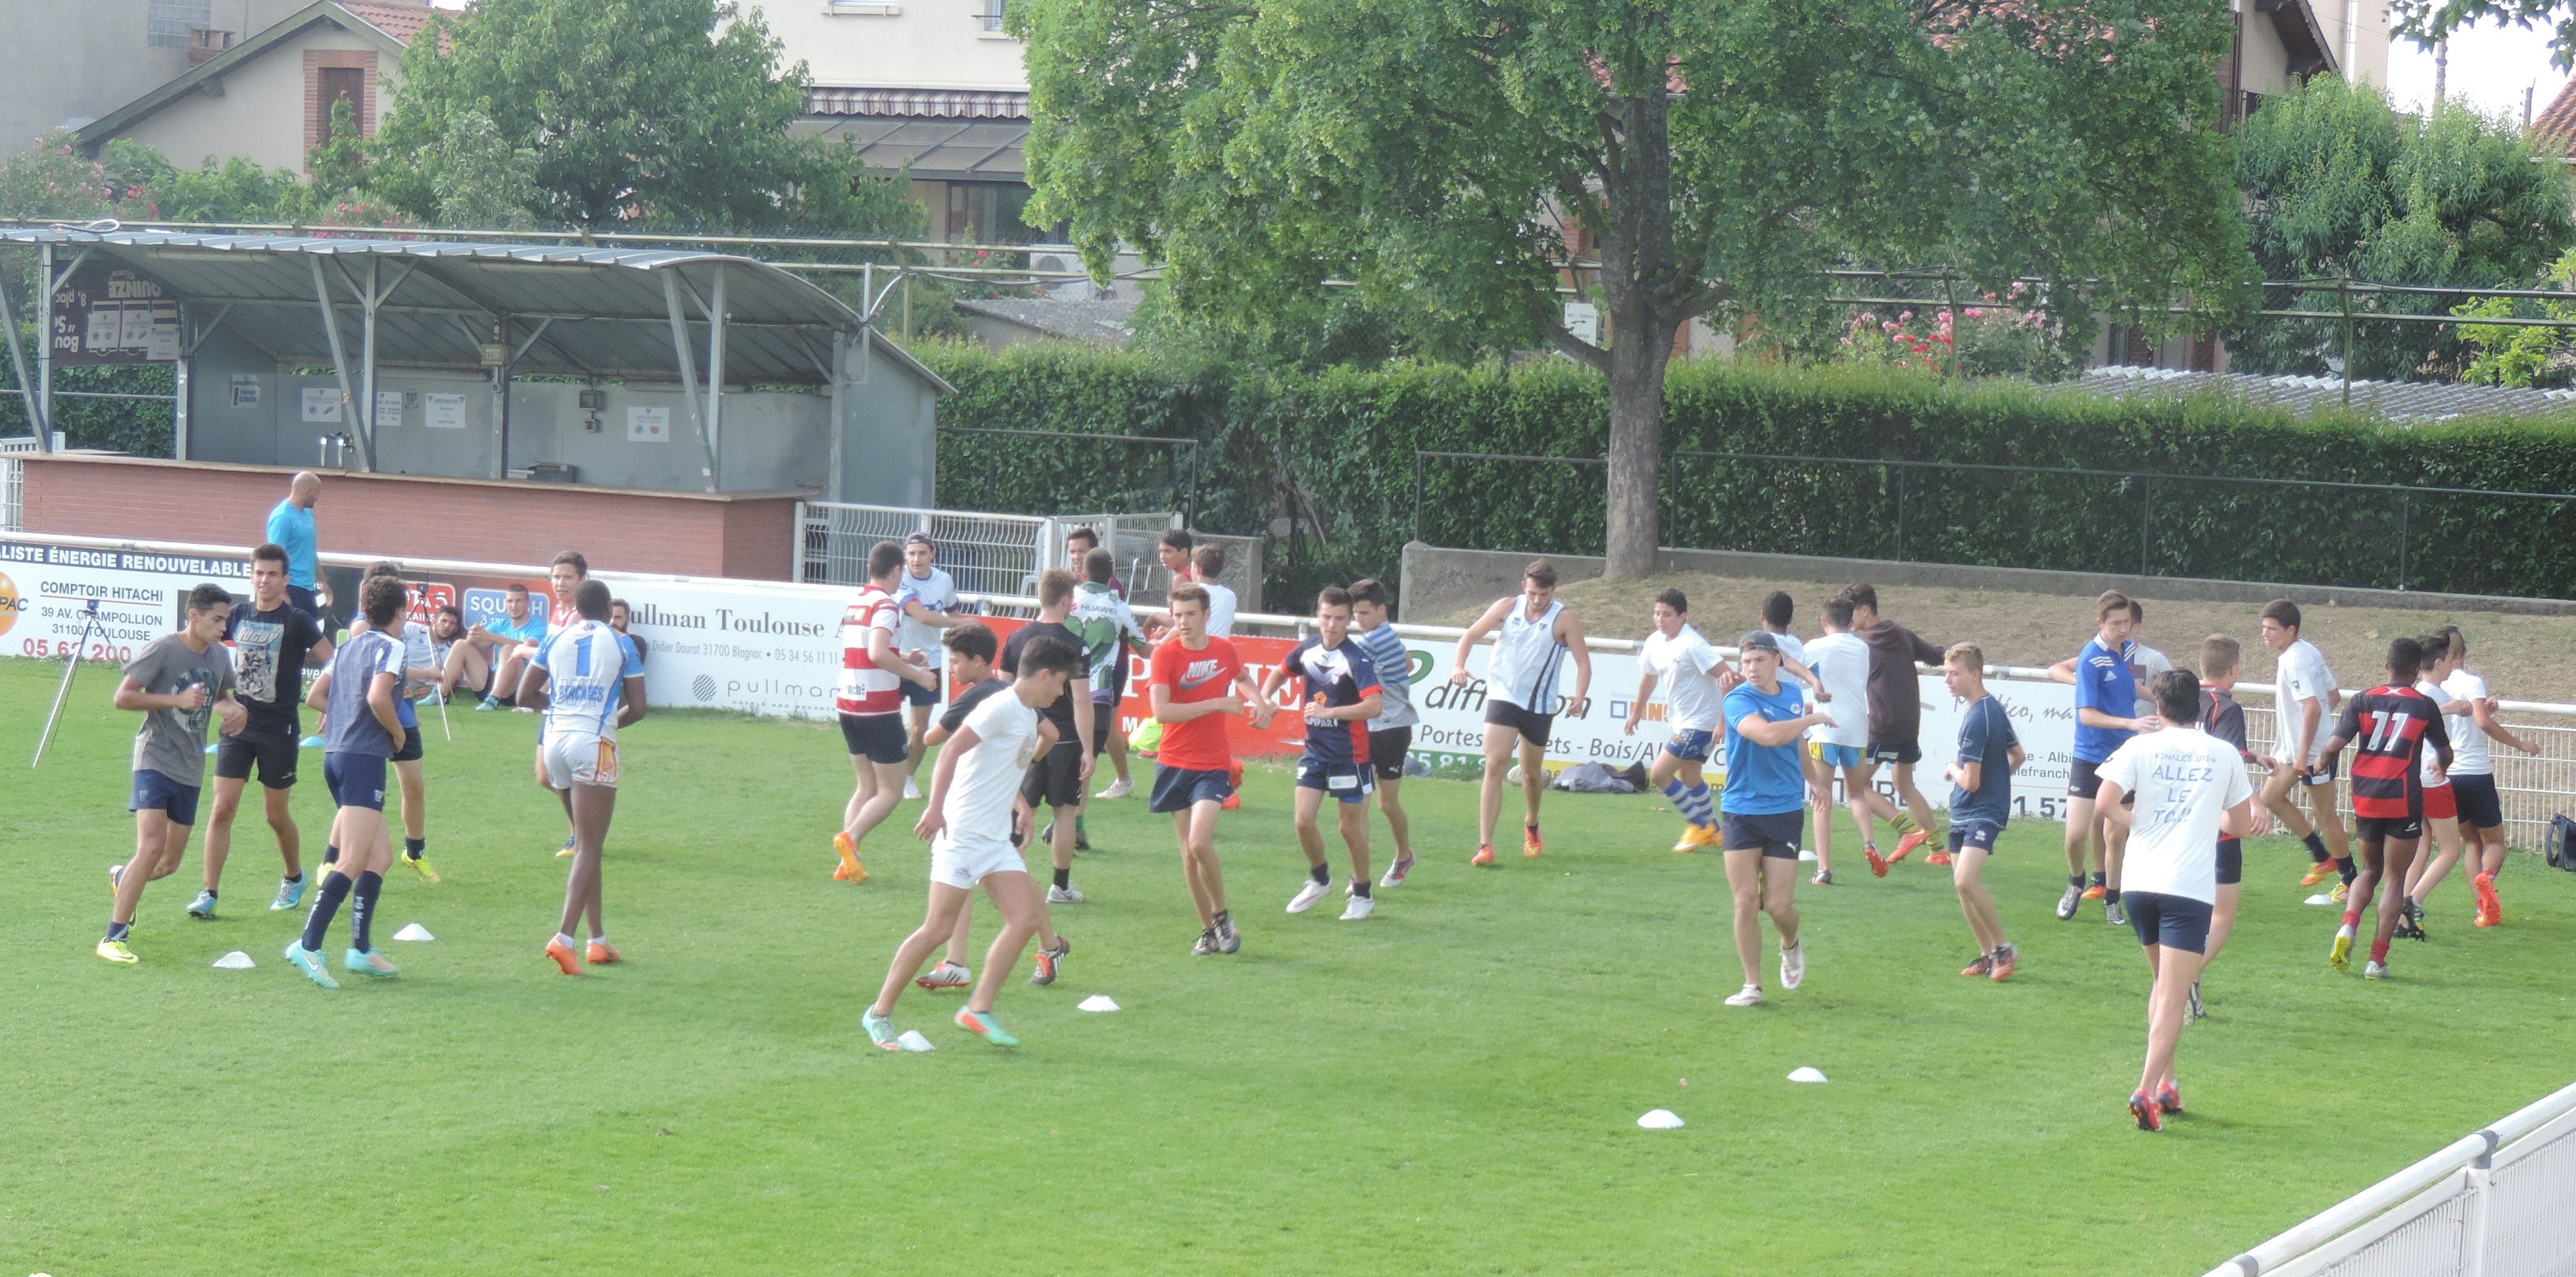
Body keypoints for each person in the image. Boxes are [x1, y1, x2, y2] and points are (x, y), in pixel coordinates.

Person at [863, 634, 1084, 1051]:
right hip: (962, 835)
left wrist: (1019, 802)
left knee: (1025, 919)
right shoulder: (1000, 707)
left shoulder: (1027, 714)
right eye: (1060, 683)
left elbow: (997, 766)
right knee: (937, 929)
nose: (1061, 692)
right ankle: (879, 1013)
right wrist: (935, 808)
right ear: (1044, 675)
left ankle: (977, 1010)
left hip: (995, 839)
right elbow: (950, 751)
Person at [2094, 669, 2256, 1132]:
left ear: (2159, 708)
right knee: (2173, 993)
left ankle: (2167, 1084)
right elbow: (2241, 826)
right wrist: (2206, 815)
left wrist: (2137, 820)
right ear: (2199, 708)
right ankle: (2145, 1089)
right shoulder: (2222, 753)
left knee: (2162, 986)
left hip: (2139, 883)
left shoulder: (2139, 747)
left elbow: (2104, 802)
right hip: (2187, 887)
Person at [97, 583, 246, 964]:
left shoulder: (219, 656)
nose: (224, 627)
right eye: (217, 619)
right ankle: (113, 937)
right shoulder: (164, 649)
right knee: (150, 847)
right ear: (193, 615)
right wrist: (175, 699)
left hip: (190, 767)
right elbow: (123, 697)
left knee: (167, 864)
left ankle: (123, 878)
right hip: (154, 757)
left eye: (226, 620)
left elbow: (221, 697)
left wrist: (235, 710)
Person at [282, 575, 410, 988]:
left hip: (336, 756)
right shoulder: (392, 647)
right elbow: (377, 697)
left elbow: (314, 696)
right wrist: (397, 733)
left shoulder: (348, 646)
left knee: (380, 856)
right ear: (400, 611)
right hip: (363, 760)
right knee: (352, 859)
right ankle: (308, 945)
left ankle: (360, 949)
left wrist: (344, 719)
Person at [195, 542, 332, 919]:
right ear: (251, 575)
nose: (265, 580)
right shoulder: (237, 615)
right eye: (259, 573)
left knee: (275, 815)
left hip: (279, 729)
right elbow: (203, 645)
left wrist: (329, 700)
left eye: (272, 574)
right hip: (238, 724)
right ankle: (208, 892)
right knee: (222, 808)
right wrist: (220, 699)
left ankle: (294, 876)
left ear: (285, 579)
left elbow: (334, 659)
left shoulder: (296, 620)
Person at [522, 578, 650, 976]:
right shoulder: (622, 643)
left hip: (555, 741)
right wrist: (605, 723)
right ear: (609, 609)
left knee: (585, 843)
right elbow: (639, 707)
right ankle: (564, 938)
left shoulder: (554, 638)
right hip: (593, 743)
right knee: (591, 846)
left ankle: (597, 940)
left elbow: (524, 696)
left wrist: (563, 709)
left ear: (575, 607)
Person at [2317, 638, 2451, 980]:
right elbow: (2444, 751)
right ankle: (2376, 961)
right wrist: (2442, 765)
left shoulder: (2363, 700)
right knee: (2394, 878)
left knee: (2369, 871)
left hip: (2366, 796)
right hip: (2402, 797)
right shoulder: (2424, 705)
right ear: (2416, 670)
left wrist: (2319, 763)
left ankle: (2348, 926)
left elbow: (2332, 747)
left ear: (2386, 664)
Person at [1150, 583, 1274, 954]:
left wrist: (1260, 701)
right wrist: (1218, 703)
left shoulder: (1223, 649)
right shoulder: (1165, 654)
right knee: (1188, 855)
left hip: (1212, 763)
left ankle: (1221, 916)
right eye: (1177, 615)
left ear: (1206, 615)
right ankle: (1207, 931)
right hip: (1174, 762)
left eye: (1190, 614)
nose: (1183, 622)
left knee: (1199, 842)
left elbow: (1242, 678)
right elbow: (1161, 712)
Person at [1716, 631, 1835, 1007]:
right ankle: (1752, 985)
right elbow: (1767, 735)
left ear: (1777, 661)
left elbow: (1796, 742)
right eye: (1746, 662)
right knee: (1745, 901)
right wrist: (1810, 718)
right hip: (1741, 810)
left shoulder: (1791, 696)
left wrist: (1814, 781)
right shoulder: (1737, 699)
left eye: (1760, 660)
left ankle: (1790, 942)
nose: (1752, 668)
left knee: (1779, 907)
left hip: (1784, 810)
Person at [1450, 560, 1592, 866]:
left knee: (1531, 774)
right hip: (1502, 696)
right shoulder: (1507, 607)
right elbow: (1470, 635)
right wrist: (1458, 665)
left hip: (1539, 706)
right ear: (1523, 586)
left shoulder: (1564, 619)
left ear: (1554, 590)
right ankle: (1485, 846)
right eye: (1532, 593)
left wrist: (1579, 697)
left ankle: (1532, 821)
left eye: (1543, 594)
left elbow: (1583, 664)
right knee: (1495, 764)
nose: (1537, 600)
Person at [1262, 587, 1385, 919]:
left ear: (1349, 621)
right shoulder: (1308, 649)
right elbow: (1279, 671)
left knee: (1349, 829)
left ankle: (1362, 894)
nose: (1332, 625)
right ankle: (1320, 879)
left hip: (1349, 754)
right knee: (1303, 821)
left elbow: (1375, 705)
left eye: (1340, 619)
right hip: (1315, 752)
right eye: (1327, 617)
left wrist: (1330, 712)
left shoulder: (1356, 658)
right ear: (1318, 615)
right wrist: (1266, 697)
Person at [911, 623, 1012, 992]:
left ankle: (1049, 945)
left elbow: (931, 738)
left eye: (955, 661)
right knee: (968, 878)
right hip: (994, 797)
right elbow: (1045, 734)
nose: (951, 669)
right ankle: (957, 962)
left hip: (971, 803)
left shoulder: (978, 695)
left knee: (968, 881)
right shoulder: (1006, 691)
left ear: (978, 661)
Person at [832, 541, 939, 885]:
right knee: (890, 791)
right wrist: (918, 675)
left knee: (865, 787)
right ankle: (850, 839)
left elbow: (869, 648)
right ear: (896, 571)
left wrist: (905, 656)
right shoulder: (886, 604)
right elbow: (877, 653)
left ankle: (848, 861)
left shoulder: (857, 601)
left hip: (848, 702)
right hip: (876, 707)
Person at [2058, 591, 2159, 926]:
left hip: (2123, 757)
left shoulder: (2125, 649)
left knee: (2117, 834)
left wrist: (2159, 699)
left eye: (2127, 622)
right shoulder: (2090, 658)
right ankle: (2076, 881)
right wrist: (2131, 723)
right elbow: (2086, 715)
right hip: (2089, 756)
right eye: (2116, 623)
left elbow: (2127, 685)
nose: (2123, 629)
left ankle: (2112, 898)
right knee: (2075, 835)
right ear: (2100, 622)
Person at [2425, 625, 2536, 927]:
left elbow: (2461, 716)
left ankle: (2483, 910)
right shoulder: (2472, 682)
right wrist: (2520, 744)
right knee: (2495, 842)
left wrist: (2484, 706)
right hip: (2475, 772)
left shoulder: (2438, 686)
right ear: (2463, 652)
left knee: (2471, 843)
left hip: (2448, 774)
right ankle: (2487, 878)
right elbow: (2482, 722)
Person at [1004, 568, 1097, 903]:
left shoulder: (1016, 638)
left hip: (1024, 737)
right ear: (1066, 600)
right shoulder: (1075, 645)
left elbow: (1003, 691)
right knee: (1064, 811)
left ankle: (1004, 877)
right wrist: (1088, 749)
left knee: (1017, 806)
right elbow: (1082, 701)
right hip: (1065, 740)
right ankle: (1060, 886)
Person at [348, 562, 440, 884]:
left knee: (414, 788)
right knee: (358, 794)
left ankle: (415, 852)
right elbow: (376, 677)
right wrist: (425, 673)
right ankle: (334, 858)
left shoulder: (398, 631)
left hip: (402, 713)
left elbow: (396, 673)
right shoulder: (362, 628)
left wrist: (413, 691)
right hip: (371, 719)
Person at [1843, 584, 1944, 870]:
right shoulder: (1902, 633)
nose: (1847, 620)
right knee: (1904, 783)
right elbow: (1936, 656)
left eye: (1851, 613)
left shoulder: (1861, 646)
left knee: (1856, 787)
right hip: (1909, 723)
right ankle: (1938, 850)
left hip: (1882, 725)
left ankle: (1907, 830)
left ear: (1865, 610)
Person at [1942, 643, 2024, 982]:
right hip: (1963, 810)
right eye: (1946, 673)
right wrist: (1998, 781)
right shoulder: (1990, 708)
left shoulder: (1978, 718)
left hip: (1981, 810)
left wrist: (1952, 769)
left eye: (1955, 673)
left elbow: (1971, 781)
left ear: (1975, 674)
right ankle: (1987, 954)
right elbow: (2018, 755)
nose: (1947, 680)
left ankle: (2004, 949)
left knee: (1965, 879)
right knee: (1962, 886)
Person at [2258, 600, 2351, 893]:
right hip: (2299, 750)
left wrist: (2304, 754)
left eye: (2272, 629)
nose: (2265, 633)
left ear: (2291, 630)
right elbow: (2333, 695)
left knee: (2325, 816)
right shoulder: (2307, 651)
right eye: (2263, 627)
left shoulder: (2294, 661)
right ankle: (2322, 858)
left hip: (2311, 753)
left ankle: (2350, 880)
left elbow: (2313, 707)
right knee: (2271, 798)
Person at [1063, 547, 1153, 847]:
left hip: (1063, 686)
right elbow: (1144, 649)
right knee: (1086, 755)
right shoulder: (1119, 607)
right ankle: (1075, 820)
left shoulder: (1068, 599)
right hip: (1097, 691)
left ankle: (1053, 816)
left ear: (1082, 573)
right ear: (1112, 575)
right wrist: (1176, 640)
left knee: (1059, 748)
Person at [1625, 589, 1726, 854]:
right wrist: (1637, 711)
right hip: (1683, 722)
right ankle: (1715, 831)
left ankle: (1698, 824)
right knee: (1690, 776)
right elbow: (1649, 677)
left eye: (1667, 615)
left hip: (1700, 724)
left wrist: (1722, 722)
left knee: (1660, 774)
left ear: (1683, 617)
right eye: (1657, 613)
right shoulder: (1654, 641)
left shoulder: (1693, 645)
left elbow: (1729, 678)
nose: (1661, 619)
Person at [2192, 635, 2261, 1020]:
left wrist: (2255, 755)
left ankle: (2186, 982)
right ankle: (2185, 976)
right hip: (2219, 823)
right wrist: (2255, 801)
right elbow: (2229, 762)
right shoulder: (2227, 708)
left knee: (2191, 909)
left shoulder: (2185, 700)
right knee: (2222, 915)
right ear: (2233, 669)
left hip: (2183, 821)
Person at [1806, 596, 1890, 886]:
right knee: (1857, 793)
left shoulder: (1815, 646)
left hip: (1826, 728)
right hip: (1856, 729)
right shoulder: (1863, 648)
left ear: (1824, 621)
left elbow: (1793, 666)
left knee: (1822, 799)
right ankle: (1869, 842)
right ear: (1852, 620)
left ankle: (1824, 868)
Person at [2397, 632, 2472, 936]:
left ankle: (2402, 919)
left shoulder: (2421, 690)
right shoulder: (2433, 695)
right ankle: (2412, 901)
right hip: (2434, 779)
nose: (2454, 666)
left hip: (2415, 779)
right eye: (2451, 660)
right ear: (2439, 663)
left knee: (2421, 848)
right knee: (2451, 850)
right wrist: (2451, 708)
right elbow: (2426, 712)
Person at [1348, 578, 1419, 887]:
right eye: (1355, 613)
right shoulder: (1389, 637)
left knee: (1386, 803)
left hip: (1393, 728)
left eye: (1364, 613)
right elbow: (1409, 663)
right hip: (1369, 727)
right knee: (1359, 803)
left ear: (1382, 611)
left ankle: (1404, 855)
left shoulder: (1370, 642)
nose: (1358, 619)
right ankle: (1359, 876)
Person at [892, 532, 963, 801]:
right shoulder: (900, 579)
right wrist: (964, 623)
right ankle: (886, 777)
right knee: (889, 725)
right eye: (911, 554)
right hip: (898, 660)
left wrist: (958, 646)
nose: (916, 559)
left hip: (929, 663)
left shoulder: (943, 580)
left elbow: (953, 613)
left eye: (922, 553)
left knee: (920, 730)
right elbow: (922, 616)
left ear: (932, 554)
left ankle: (907, 778)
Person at [484, 552, 585, 713]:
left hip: (572, 692)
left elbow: (557, 656)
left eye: (568, 578)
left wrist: (523, 650)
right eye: (556, 577)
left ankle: (496, 699)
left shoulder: (578, 615)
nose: (560, 583)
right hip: (555, 686)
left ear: (582, 580)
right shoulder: (558, 610)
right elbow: (550, 663)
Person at [461, 583, 545, 708]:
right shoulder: (500, 625)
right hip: (492, 681)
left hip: (516, 689)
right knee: (461, 645)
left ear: (528, 603)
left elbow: (526, 647)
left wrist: (491, 637)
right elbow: (476, 645)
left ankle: (494, 699)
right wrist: (474, 634)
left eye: (518, 601)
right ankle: (440, 694)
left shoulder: (539, 627)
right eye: (510, 601)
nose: (513, 606)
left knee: (508, 649)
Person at [265, 471, 324, 624]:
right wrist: (282, 593)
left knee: (311, 634)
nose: (318, 497)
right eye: (317, 493)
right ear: (306, 492)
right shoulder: (282, 517)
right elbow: (273, 558)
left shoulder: (308, 514)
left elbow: (310, 551)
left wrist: (323, 581)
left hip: (308, 589)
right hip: (291, 587)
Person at [608, 599, 649, 664]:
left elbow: (633, 666)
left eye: (618, 617)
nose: (612, 622)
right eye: (610, 617)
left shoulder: (636, 642)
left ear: (628, 619)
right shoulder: (599, 638)